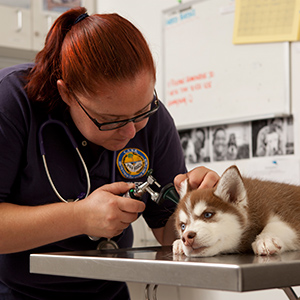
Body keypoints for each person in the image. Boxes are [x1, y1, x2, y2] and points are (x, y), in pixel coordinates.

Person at [0, 7, 219, 300]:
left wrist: (199, 205)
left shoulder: (153, 120)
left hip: (109, 291)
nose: (131, 132)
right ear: (66, 93)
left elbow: (169, 235)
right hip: (15, 292)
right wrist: (78, 217)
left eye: (141, 112)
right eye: (111, 120)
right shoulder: (12, 101)